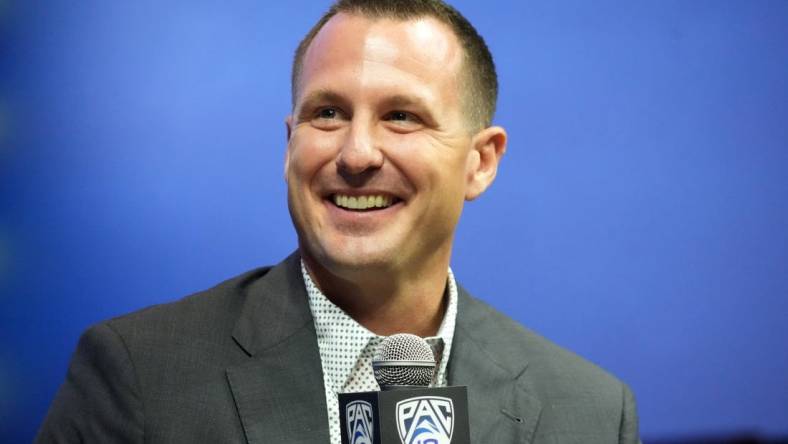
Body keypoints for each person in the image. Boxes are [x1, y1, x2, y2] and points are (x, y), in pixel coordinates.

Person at [37, 1, 640, 443]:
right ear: (288, 143)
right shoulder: (139, 377)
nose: (355, 154)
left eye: (401, 116)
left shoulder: (588, 413)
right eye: (327, 113)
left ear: (480, 163)